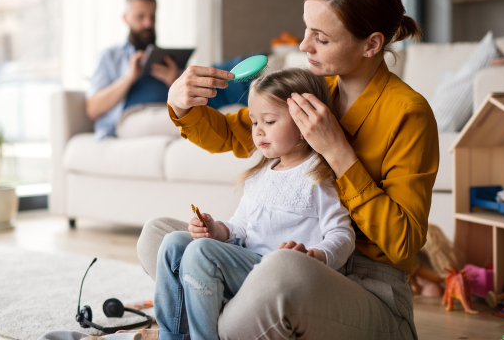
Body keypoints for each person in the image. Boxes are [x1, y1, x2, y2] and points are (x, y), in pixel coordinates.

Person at [134, 0, 440, 340]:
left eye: (321, 38)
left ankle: (225, 319)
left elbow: (403, 243)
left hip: (365, 284)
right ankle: (226, 319)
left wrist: (339, 153)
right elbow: (238, 133)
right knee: (160, 238)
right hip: (266, 259)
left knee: (281, 271)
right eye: (306, 28)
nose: (303, 45)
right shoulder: (311, 88)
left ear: (372, 44)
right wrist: (181, 105)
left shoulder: (409, 113)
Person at [152, 68, 355, 340]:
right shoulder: (260, 174)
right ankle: (172, 335)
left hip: (274, 275)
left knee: (200, 252)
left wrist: (317, 255)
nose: (258, 132)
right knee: (173, 244)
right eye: (254, 122)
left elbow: (342, 233)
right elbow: (241, 227)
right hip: (245, 263)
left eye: (269, 122)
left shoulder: (318, 175)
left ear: (305, 124)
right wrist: (216, 230)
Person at [85, 0, 180, 140]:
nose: (148, 23)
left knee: (200, 116)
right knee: (193, 121)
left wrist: (175, 82)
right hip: (133, 117)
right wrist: (130, 77)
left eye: (152, 17)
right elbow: (93, 108)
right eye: (140, 17)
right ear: (126, 18)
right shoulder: (109, 56)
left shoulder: (167, 59)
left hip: (167, 111)